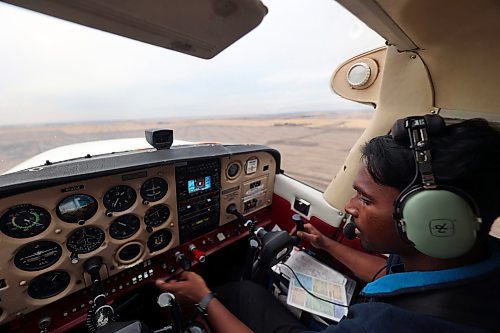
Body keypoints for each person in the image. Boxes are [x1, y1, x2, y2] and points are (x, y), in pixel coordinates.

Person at [156, 116, 500, 333]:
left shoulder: (385, 325)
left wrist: (202, 298)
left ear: (430, 218)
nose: (349, 207)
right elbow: (389, 275)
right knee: (244, 292)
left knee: (228, 297)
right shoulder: (478, 260)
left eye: (364, 199)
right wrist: (327, 244)